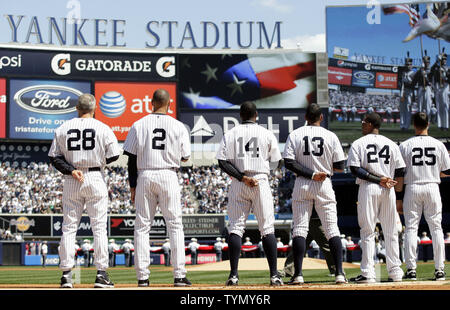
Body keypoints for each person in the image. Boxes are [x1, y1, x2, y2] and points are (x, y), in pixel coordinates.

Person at [48, 93, 120, 288]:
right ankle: (101, 274)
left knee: (69, 227)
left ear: (77, 109)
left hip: (72, 178)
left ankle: (66, 276)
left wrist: (72, 170)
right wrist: (97, 160)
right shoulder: (103, 127)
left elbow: (54, 157)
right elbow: (114, 155)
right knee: (98, 228)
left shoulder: (63, 127)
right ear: (94, 108)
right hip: (95, 176)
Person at [123, 88, 192, 287]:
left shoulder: (139, 124)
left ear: (151, 102)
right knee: (175, 226)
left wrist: (133, 185)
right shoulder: (179, 126)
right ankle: (179, 276)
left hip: (145, 174)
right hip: (168, 174)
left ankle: (142, 277)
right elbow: (185, 156)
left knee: (142, 227)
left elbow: (131, 158)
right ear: (169, 104)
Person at [216, 101, 283, 286]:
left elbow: (222, 161)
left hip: (239, 182)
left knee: (236, 228)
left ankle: (234, 275)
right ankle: (274, 275)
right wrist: (260, 171)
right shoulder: (266, 133)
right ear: (257, 115)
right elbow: (277, 162)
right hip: (260, 180)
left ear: (240, 115)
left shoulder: (231, 133)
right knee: (267, 228)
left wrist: (242, 177)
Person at [283, 103, 347, 285]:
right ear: (321, 117)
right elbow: (340, 167)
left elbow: (288, 162)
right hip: (324, 183)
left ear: (305, 117)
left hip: (302, 183)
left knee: (300, 229)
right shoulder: (330, 135)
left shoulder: (295, 134)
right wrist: (322, 169)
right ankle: (340, 274)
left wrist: (310, 173)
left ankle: (298, 275)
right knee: (332, 229)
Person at [347, 112, 405, 283]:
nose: (362, 124)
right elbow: (401, 171)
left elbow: (354, 169)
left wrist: (378, 179)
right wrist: (397, 192)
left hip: (369, 187)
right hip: (388, 188)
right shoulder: (391, 144)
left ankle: (368, 273)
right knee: (391, 231)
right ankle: (395, 272)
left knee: (367, 231)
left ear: (371, 124)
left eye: (364, 122)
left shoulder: (359, 143)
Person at [395, 112, 450, 281]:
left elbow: (399, 174)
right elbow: (447, 172)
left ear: (414, 124)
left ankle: (411, 269)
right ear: (429, 124)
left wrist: (398, 197)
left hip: (412, 187)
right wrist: (433, 173)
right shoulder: (438, 144)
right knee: (436, 229)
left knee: (411, 228)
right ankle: (439, 269)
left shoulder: (404, 145)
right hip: (432, 186)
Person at [430, 49, 449, 131]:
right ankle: (440, 125)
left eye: (445, 59)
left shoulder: (448, 68)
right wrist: (437, 61)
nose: (444, 60)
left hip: (445, 86)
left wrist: (446, 76)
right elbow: (431, 71)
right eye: (443, 59)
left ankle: (446, 125)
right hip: (438, 86)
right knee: (439, 106)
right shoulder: (436, 67)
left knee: (445, 105)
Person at [412, 51, 433, 118]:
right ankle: (420, 122)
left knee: (428, 106)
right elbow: (414, 79)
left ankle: (427, 122)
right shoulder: (419, 70)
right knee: (420, 106)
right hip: (421, 87)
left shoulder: (431, 70)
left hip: (428, 88)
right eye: (425, 62)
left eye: (428, 62)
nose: (427, 63)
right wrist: (421, 70)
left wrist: (426, 75)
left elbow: (431, 80)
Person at [399, 52, 415, 131]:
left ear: (411, 65)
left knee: (408, 109)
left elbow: (413, 84)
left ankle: (406, 125)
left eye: (409, 64)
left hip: (409, 91)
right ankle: (402, 125)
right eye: (407, 64)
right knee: (402, 109)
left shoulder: (413, 73)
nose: (408, 66)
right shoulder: (402, 72)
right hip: (403, 91)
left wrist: (407, 78)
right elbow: (400, 83)